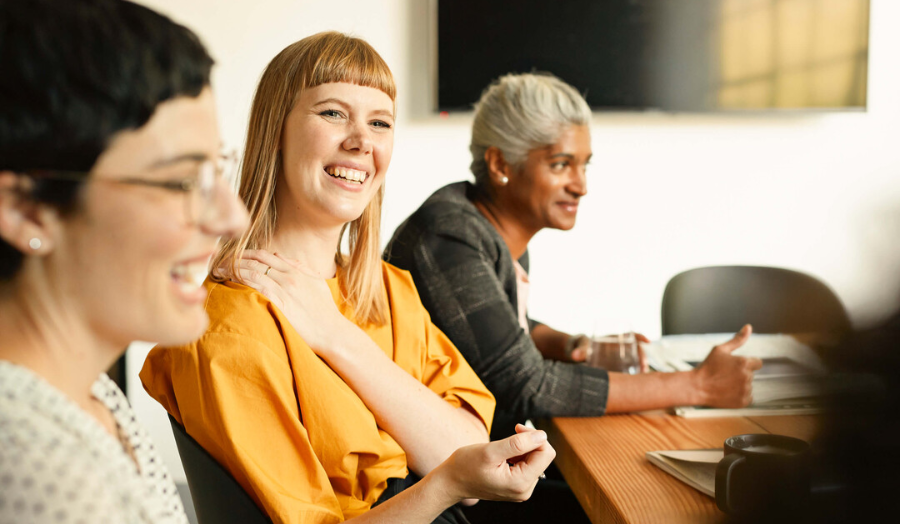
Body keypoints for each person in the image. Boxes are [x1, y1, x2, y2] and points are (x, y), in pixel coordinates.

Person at [140, 32, 555, 524]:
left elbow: (467, 448)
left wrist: (337, 337)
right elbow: (459, 478)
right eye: (333, 113)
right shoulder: (228, 327)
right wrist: (444, 483)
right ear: (276, 130)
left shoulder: (389, 289)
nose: (361, 142)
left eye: (379, 122)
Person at [385, 72, 762, 440]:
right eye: (561, 164)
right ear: (500, 165)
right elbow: (526, 385)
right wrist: (697, 384)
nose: (581, 186)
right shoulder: (450, 238)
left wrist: (573, 345)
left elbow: (496, 329)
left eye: (584, 165)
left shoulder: (484, 228)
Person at [0, 0, 248, 522]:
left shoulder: (91, 395)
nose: (233, 217)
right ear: (26, 210)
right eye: (181, 181)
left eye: (215, 171)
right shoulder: (31, 463)